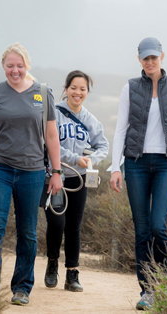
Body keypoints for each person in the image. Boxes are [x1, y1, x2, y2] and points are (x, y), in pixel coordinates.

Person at [0, 42, 64, 306]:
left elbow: (52, 136)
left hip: (32, 172)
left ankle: (22, 288)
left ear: (27, 66)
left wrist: (56, 172)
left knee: (27, 232)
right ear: (3, 67)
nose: (15, 71)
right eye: (10, 66)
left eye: (20, 66)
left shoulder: (43, 93)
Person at [108, 37, 167, 311]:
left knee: (159, 225)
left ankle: (166, 282)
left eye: (153, 57)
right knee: (142, 230)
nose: (149, 62)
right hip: (136, 164)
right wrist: (115, 167)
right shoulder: (130, 88)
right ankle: (147, 291)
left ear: (162, 56)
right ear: (139, 59)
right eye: (145, 58)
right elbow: (121, 129)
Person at [43, 70, 109, 292]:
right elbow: (49, 142)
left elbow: (104, 146)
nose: (77, 92)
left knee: (73, 227)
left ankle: (72, 273)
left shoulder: (91, 120)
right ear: (66, 89)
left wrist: (90, 160)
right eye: (73, 88)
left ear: (87, 92)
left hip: (79, 180)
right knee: (56, 223)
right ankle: (52, 263)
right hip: (55, 176)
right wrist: (74, 159)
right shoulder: (55, 113)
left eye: (82, 89)